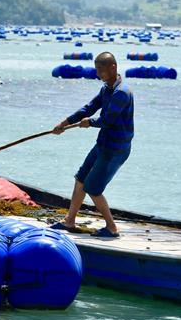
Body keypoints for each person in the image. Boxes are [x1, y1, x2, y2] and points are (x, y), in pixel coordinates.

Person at [51, 52, 134, 238]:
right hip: (103, 143)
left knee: (93, 189)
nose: (99, 74)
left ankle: (111, 228)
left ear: (113, 67)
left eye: (101, 70)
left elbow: (108, 120)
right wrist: (64, 123)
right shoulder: (106, 89)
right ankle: (69, 221)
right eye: (97, 70)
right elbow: (89, 108)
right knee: (81, 178)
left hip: (115, 149)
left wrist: (90, 122)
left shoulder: (122, 93)